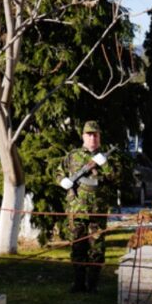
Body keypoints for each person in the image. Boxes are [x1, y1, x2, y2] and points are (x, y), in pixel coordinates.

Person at [56, 121, 116, 293]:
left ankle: (93, 285)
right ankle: (78, 283)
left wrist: (104, 164)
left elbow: (116, 179)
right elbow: (59, 171)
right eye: (89, 134)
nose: (92, 138)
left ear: (99, 136)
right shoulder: (73, 156)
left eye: (95, 134)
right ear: (83, 136)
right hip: (77, 210)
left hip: (97, 211)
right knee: (77, 247)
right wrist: (62, 181)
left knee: (96, 249)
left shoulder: (107, 158)